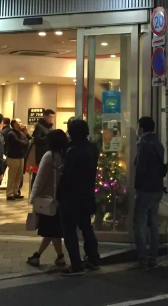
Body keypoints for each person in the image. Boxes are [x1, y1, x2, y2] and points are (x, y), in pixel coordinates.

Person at [57, 118, 101, 276]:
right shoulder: (93, 148)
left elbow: (68, 176)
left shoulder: (72, 151)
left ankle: (76, 264)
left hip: (71, 196)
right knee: (86, 227)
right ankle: (94, 259)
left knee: (69, 230)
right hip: (87, 193)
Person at [27, 129, 68, 268]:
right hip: (61, 198)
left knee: (51, 229)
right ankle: (57, 256)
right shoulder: (65, 155)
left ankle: (38, 256)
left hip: (48, 199)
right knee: (53, 230)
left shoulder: (49, 156)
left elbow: (40, 179)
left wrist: (33, 197)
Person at [133, 117, 166, 271]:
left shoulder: (144, 144)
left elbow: (140, 168)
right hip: (157, 188)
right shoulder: (158, 143)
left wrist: (137, 187)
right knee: (153, 224)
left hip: (145, 189)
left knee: (139, 222)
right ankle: (153, 258)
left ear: (141, 128)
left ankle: (143, 260)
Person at [5, 119, 28, 201]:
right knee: (12, 176)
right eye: (19, 122)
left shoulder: (21, 133)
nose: (21, 123)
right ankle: (9, 193)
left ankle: (16, 192)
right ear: (14, 124)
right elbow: (18, 143)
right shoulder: (11, 133)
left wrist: (25, 133)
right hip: (13, 157)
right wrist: (24, 142)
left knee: (19, 176)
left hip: (21, 157)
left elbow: (27, 141)